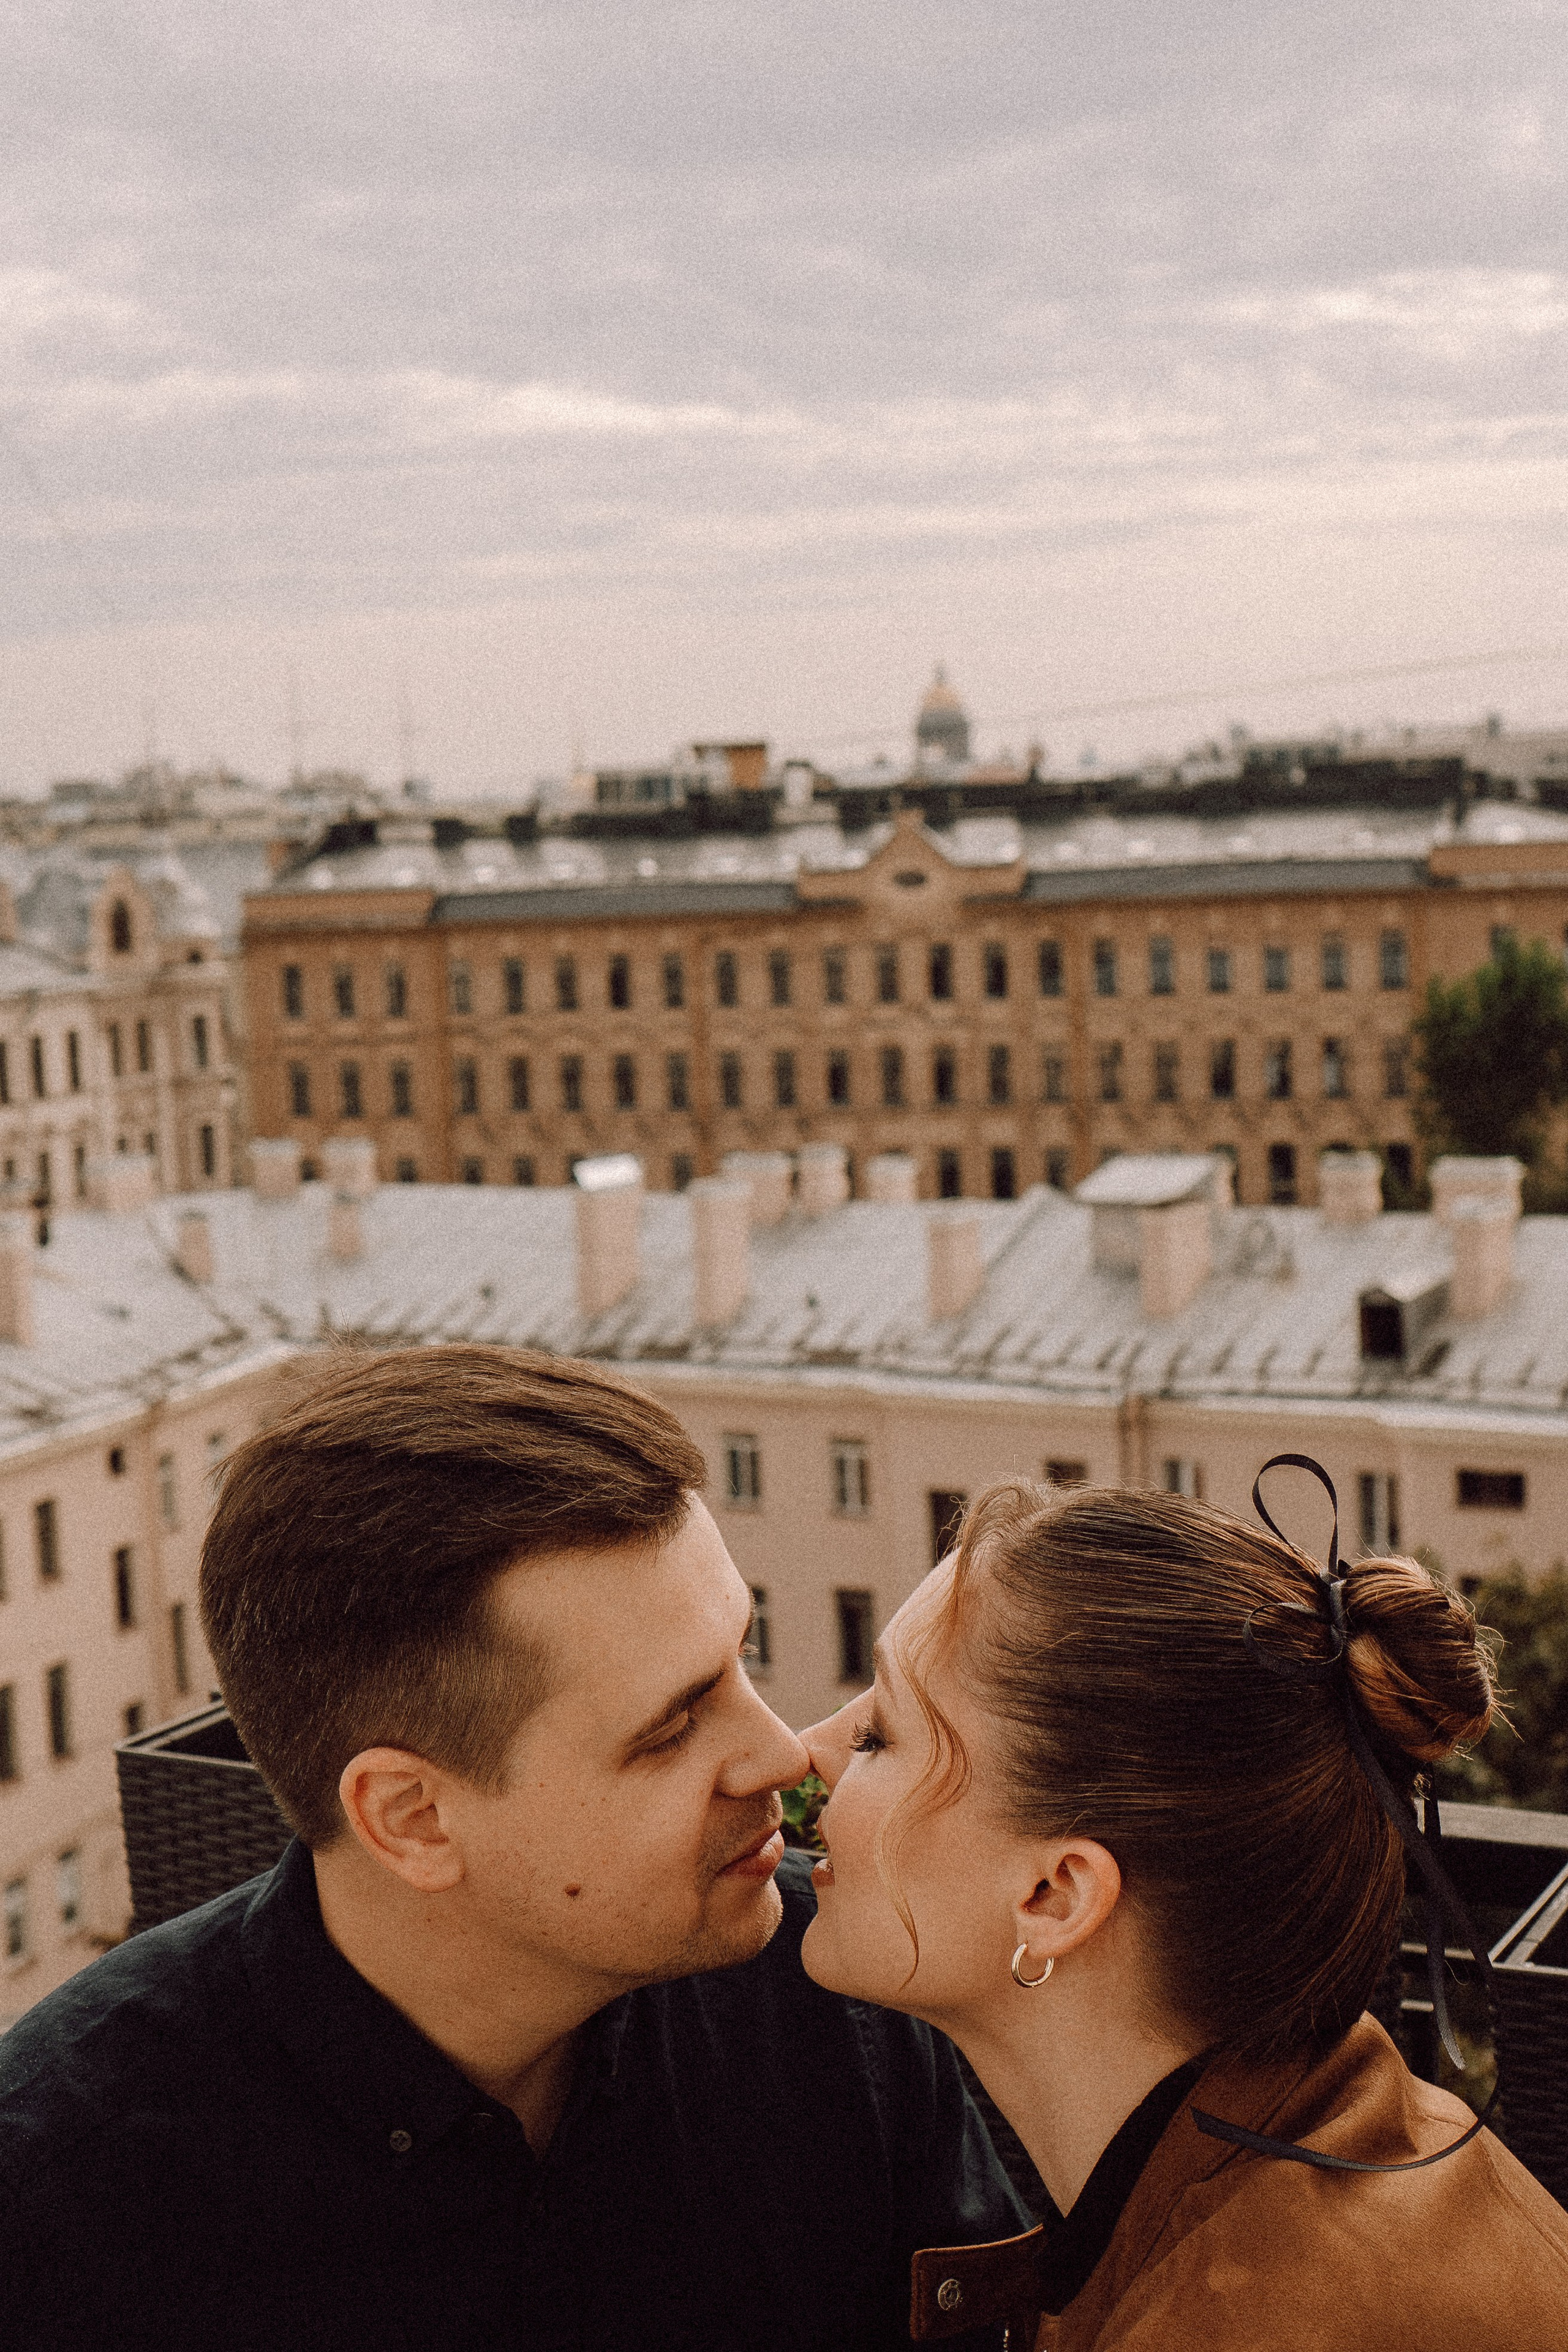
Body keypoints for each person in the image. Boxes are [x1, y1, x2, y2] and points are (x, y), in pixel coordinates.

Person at [0, 1346, 1024, 2351]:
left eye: (741, 1656)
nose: (781, 1752)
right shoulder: (60, 2202)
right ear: (413, 1818)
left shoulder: (834, 2000)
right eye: (672, 1725)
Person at [801, 1466, 1568, 2351]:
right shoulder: (1351, 2137)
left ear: (1056, 1896)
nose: (804, 1749)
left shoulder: (1237, 2319)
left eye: (878, 1735)